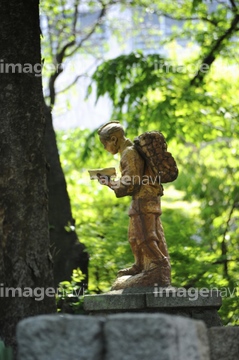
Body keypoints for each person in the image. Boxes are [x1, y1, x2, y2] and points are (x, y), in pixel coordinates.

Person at [97, 121, 171, 287]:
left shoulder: (129, 153)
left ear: (114, 139)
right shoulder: (128, 152)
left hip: (145, 200)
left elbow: (132, 182)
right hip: (140, 200)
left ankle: (158, 266)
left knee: (145, 236)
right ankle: (140, 265)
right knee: (133, 237)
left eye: (105, 143)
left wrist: (109, 182)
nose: (105, 148)